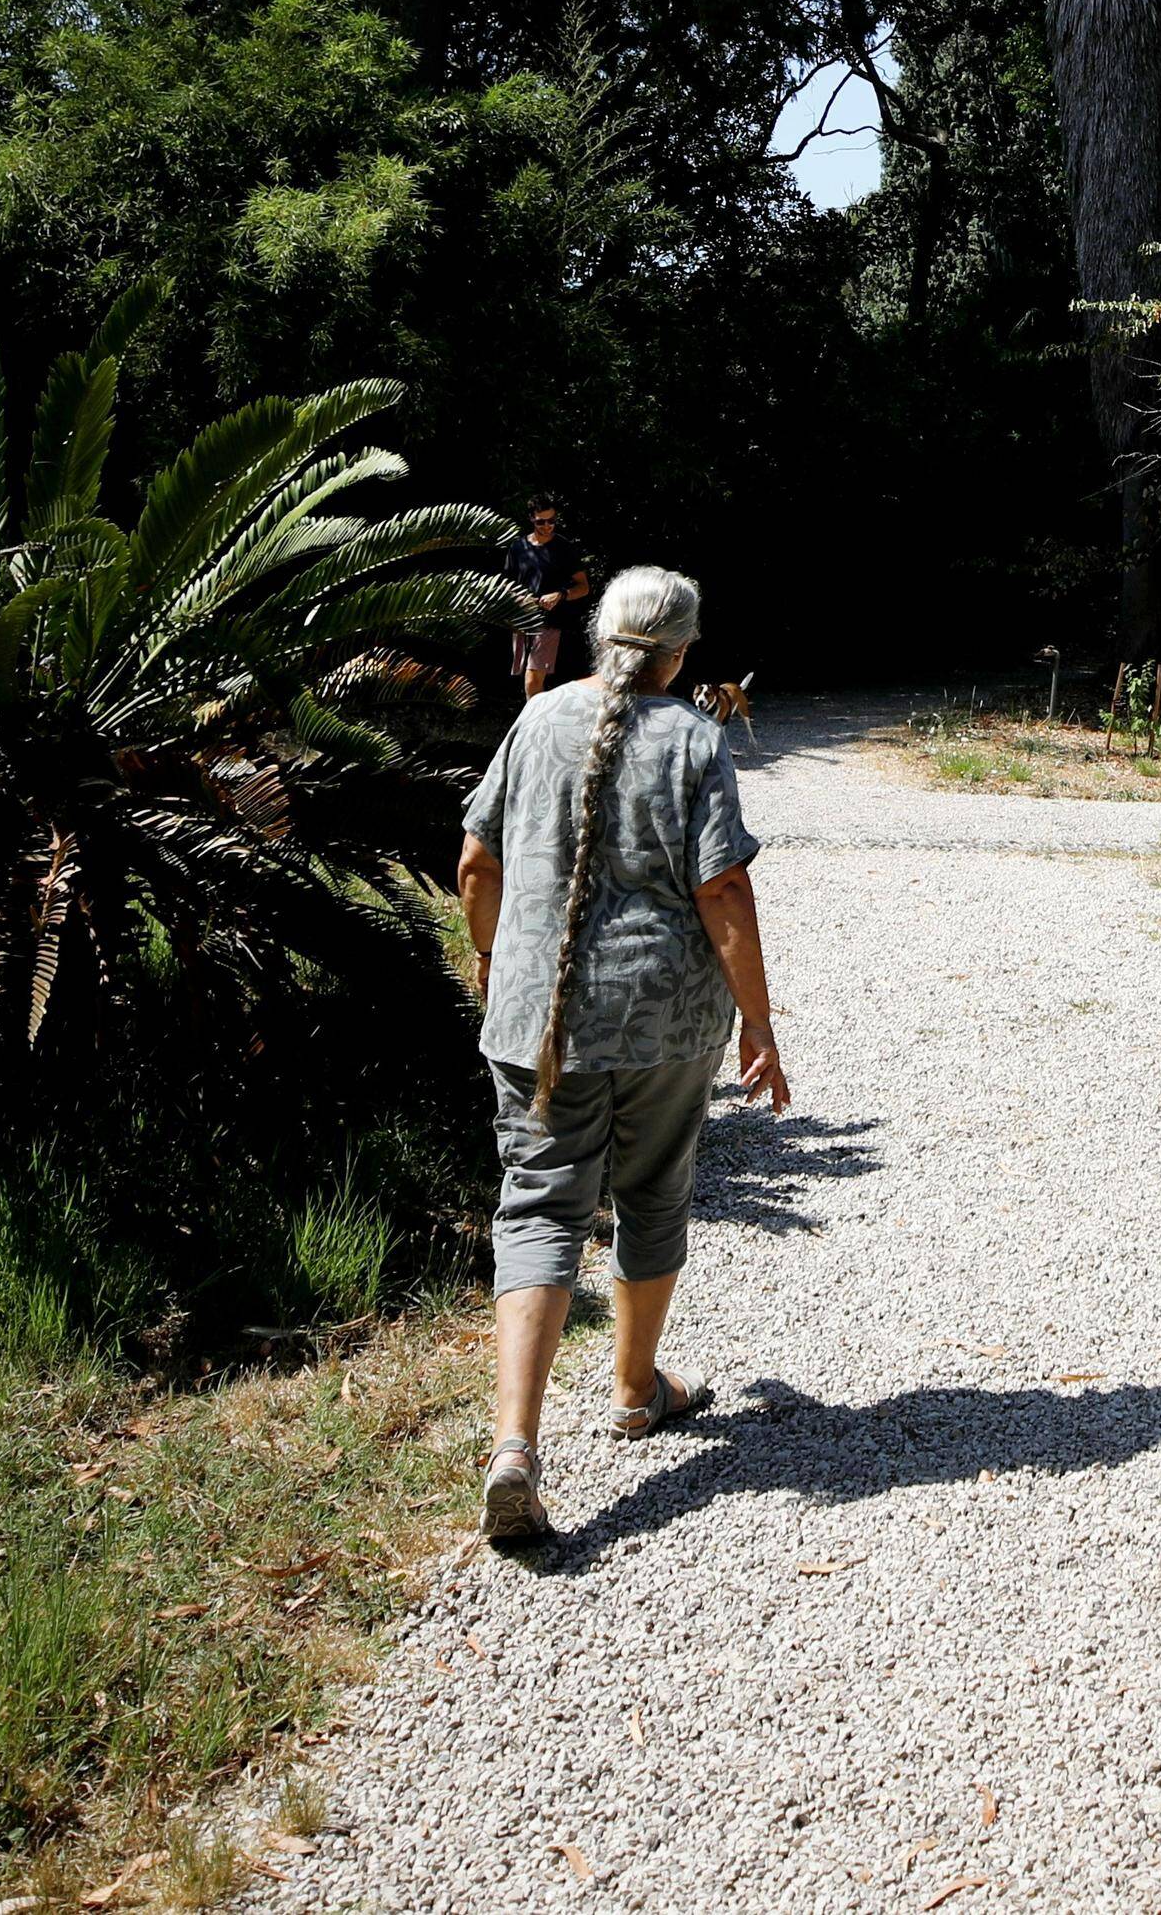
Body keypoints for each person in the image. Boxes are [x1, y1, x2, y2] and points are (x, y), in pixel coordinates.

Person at [454, 562, 791, 1545]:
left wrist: (488, 957)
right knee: (650, 1191)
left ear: (601, 637)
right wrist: (759, 1026)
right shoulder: (692, 738)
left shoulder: (539, 720)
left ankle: (514, 1448)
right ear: (681, 651)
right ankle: (635, 1391)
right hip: (661, 1025)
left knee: (538, 1210)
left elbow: (476, 861)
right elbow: (721, 892)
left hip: (536, 1020)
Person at [496, 496, 595, 699]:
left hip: (551, 622)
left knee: (533, 679)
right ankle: (534, 718)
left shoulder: (564, 548)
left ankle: (532, 725)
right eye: (541, 521)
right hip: (522, 619)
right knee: (526, 676)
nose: (547, 526)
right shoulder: (518, 547)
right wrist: (516, 598)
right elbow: (505, 583)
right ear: (531, 519)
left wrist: (561, 595)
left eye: (552, 521)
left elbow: (583, 586)